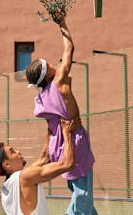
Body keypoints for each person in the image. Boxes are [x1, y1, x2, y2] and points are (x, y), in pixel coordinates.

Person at [26, 15, 98, 215]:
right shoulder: (58, 81)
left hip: (58, 147)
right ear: (47, 74)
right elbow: (69, 50)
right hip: (73, 142)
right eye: (48, 65)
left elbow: (50, 127)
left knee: (79, 193)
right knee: (83, 199)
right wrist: (62, 23)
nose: (52, 64)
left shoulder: (41, 99)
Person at [0, 118, 80, 215]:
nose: (18, 152)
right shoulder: (25, 177)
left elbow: (44, 159)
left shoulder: (8, 186)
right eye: (12, 152)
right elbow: (68, 164)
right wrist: (67, 133)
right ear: (7, 165)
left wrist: (51, 127)